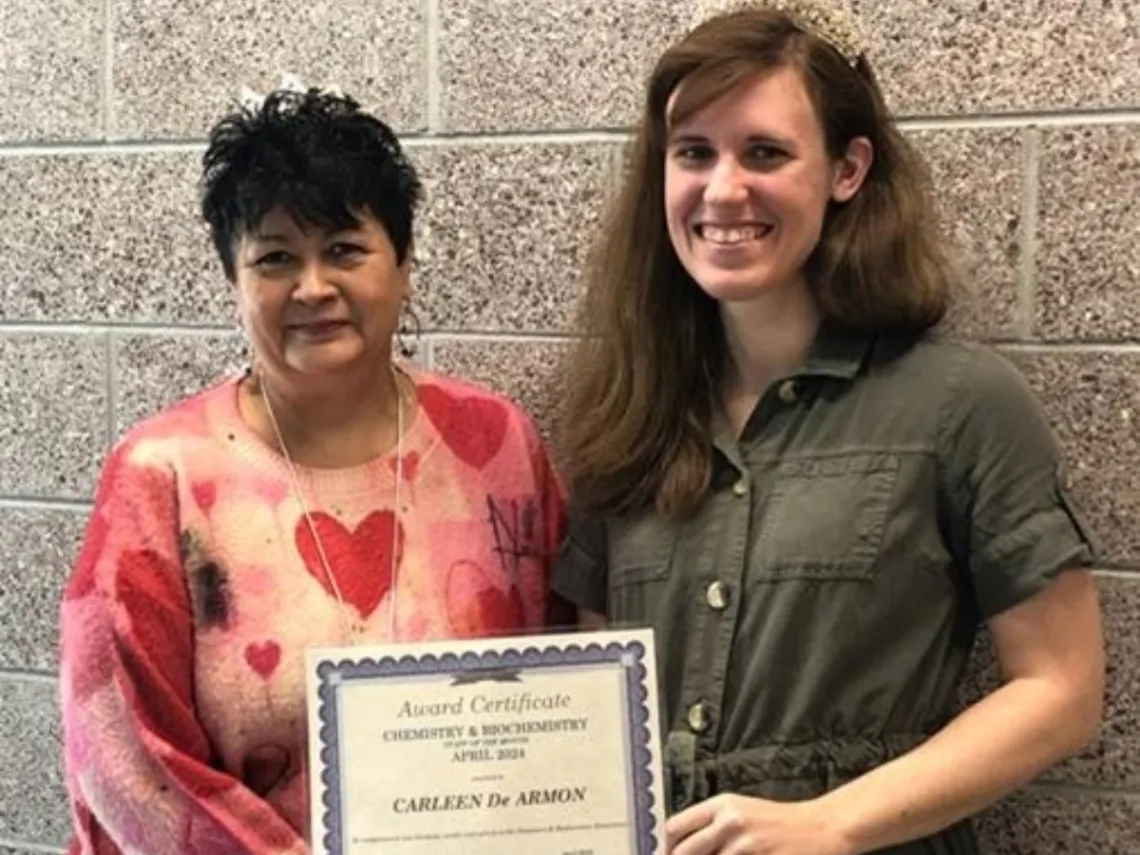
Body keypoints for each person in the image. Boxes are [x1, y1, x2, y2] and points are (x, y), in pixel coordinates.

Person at [552, 2, 1105, 854]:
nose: (723, 189)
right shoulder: (629, 409)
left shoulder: (962, 404)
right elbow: (599, 689)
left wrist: (830, 821)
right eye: (693, 153)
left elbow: (1063, 687)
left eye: (765, 152)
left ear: (847, 170)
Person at [58, 86, 566, 854]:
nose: (313, 287)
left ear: (404, 268)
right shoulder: (160, 476)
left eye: (345, 249)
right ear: (234, 280)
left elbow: (563, 680)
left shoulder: (496, 445)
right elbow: (122, 759)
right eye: (275, 258)